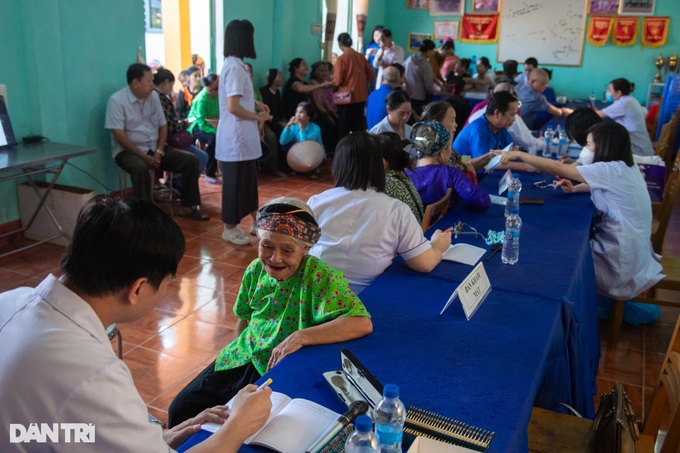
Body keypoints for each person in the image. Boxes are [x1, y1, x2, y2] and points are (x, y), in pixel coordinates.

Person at [0, 196, 273, 452]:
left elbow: (33, 429)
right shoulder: (93, 375)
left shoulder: (11, 300)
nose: (169, 293)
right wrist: (238, 426)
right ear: (138, 288)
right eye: (168, 283)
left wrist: (149, 439)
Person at [168, 197, 373, 426]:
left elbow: (361, 322)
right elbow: (244, 318)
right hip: (242, 355)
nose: (275, 258)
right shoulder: (256, 270)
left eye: (287, 250)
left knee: (235, 424)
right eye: (266, 245)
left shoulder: (319, 277)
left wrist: (301, 336)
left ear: (305, 249)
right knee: (181, 409)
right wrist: (236, 354)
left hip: (275, 368)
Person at [499, 122, 664, 325]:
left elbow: (557, 167)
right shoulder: (626, 166)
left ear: (604, 146)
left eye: (588, 144)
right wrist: (578, 188)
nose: (586, 149)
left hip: (618, 262)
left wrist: (521, 155)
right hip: (635, 254)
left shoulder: (609, 169)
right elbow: (610, 187)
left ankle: (556, 313)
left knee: (562, 255)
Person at [307, 132, 453, 294]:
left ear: (337, 165)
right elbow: (425, 263)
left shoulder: (315, 203)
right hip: (366, 303)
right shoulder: (396, 210)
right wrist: (438, 246)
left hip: (318, 297)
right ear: (380, 165)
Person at [106, 63, 209, 220]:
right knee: (140, 167)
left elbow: (163, 126)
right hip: (127, 151)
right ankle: (146, 215)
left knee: (190, 160)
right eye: (148, 82)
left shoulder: (154, 97)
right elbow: (119, 135)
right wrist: (144, 156)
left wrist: (159, 152)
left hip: (154, 148)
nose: (152, 85)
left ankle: (188, 206)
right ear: (135, 83)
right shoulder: (117, 101)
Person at [216, 19, 273, 245]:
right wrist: (259, 117)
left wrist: (257, 105)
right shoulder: (234, 67)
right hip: (236, 138)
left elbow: (240, 100)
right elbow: (233, 107)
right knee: (235, 184)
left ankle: (255, 220)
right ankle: (229, 228)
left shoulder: (235, 65)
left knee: (248, 181)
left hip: (241, 138)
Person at [407, 122, 491, 211]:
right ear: (443, 151)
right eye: (450, 148)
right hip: (445, 224)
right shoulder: (450, 174)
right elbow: (482, 201)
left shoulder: (405, 176)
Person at [453, 91, 535, 174]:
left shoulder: (500, 128)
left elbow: (513, 150)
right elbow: (485, 164)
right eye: (512, 114)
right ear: (497, 113)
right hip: (462, 176)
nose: (513, 119)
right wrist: (524, 166)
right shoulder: (478, 129)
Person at [152, 68, 209, 178]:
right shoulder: (161, 98)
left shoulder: (158, 96)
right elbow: (170, 125)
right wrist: (185, 124)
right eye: (171, 85)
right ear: (166, 82)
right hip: (167, 141)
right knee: (201, 157)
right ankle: (180, 184)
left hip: (164, 139)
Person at [466, 80, 545, 154]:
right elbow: (530, 144)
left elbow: (513, 148)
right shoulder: (480, 126)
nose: (513, 118)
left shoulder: (500, 124)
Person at [591, 78, 654, 157]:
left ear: (618, 92)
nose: (608, 92)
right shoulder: (630, 100)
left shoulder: (623, 103)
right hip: (640, 144)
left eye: (610, 90)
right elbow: (602, 113)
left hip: (637, 151)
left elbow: (597, 115)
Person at [420, 100, 477, 181]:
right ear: (436, 124)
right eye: (452, 120)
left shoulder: (446, 146)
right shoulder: (434, 154)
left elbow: (462, 160)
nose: (456, 125)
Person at [376, 132, 425, 223]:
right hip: (418, 228)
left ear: (384, 160)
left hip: (408, 235)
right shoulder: (401, 175)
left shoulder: (386, 182)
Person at [334, 33, 375, 139]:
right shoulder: (361, 57)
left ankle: (342, 153)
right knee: (358, 128)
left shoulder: (341, 59)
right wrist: (360, 80)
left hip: (346, 98)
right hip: (361, 97)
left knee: (343, 129)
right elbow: (371, 76)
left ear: (340, 44)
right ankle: (358, 151)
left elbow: (338, 81)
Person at [188, 73, 220, 184]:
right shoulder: (201, 100)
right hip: (197, 126)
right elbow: (201, 123)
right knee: (213, 138)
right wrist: (216, 131)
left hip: (212, 124)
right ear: (213, 90)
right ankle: (210, 173)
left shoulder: (218, 97)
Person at [279, 102, 324, 178]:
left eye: (301, 112)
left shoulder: (316, 128)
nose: (298, 114)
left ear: (308, 117)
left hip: (313, 154)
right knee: (285, 146)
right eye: (296, 112)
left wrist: (301, 128)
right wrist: (287, 126)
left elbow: (306, 146)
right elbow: (282, 142)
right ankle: (297, 167)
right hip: (300, 154)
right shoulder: (294, 127)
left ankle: (314, 168)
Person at [308, 61, 339, 154]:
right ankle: (326, 150)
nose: (325, 73)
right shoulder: (313, 85)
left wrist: (333, 113)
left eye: (326, 70)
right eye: (322, 71)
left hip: (325, 110)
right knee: (327, 123)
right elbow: (319, 105)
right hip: (316, 113)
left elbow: (326, 102)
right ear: (316, 73)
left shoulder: (326, 83)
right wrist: (329, 116)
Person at [403, 39, 437, 115]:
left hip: (408, 95)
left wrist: (406, 84)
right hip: (420, 97)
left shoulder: (410, 58)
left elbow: (401, 70)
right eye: (432, 50)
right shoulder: (425, 64)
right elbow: (428, 84)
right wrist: (432, 92)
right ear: (428, 51)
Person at [366, 65, 401, 130]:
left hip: (370, 134)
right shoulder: (394, 97)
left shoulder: (372, 94)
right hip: (384, 137)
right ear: (398, 81)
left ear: (382, 78)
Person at [260, 69, 286, 137]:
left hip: (277, 121)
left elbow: (280, 109)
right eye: (280, 76)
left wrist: (283, 120)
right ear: (274, 80)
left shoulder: (277, 92)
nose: (283, 79)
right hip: (267, 121)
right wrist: (279, 123)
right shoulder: (263, 92)